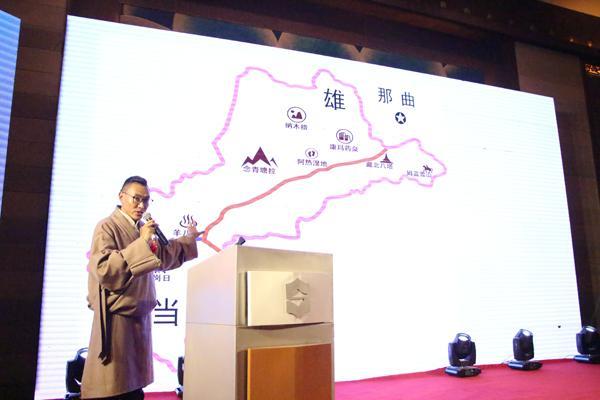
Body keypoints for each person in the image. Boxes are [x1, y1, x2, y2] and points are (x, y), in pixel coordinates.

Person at [81, 176, 201, 399]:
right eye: (136, 199)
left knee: (133, 385)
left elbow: (163, 255)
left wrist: (189, 238)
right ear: (122, 197)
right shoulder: (107, 226)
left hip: (140, 315)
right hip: (118, 317)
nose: (141, 205)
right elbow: (104, 269)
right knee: (114, 385)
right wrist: (142, 242)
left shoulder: (141, 228)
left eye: (146, 200)